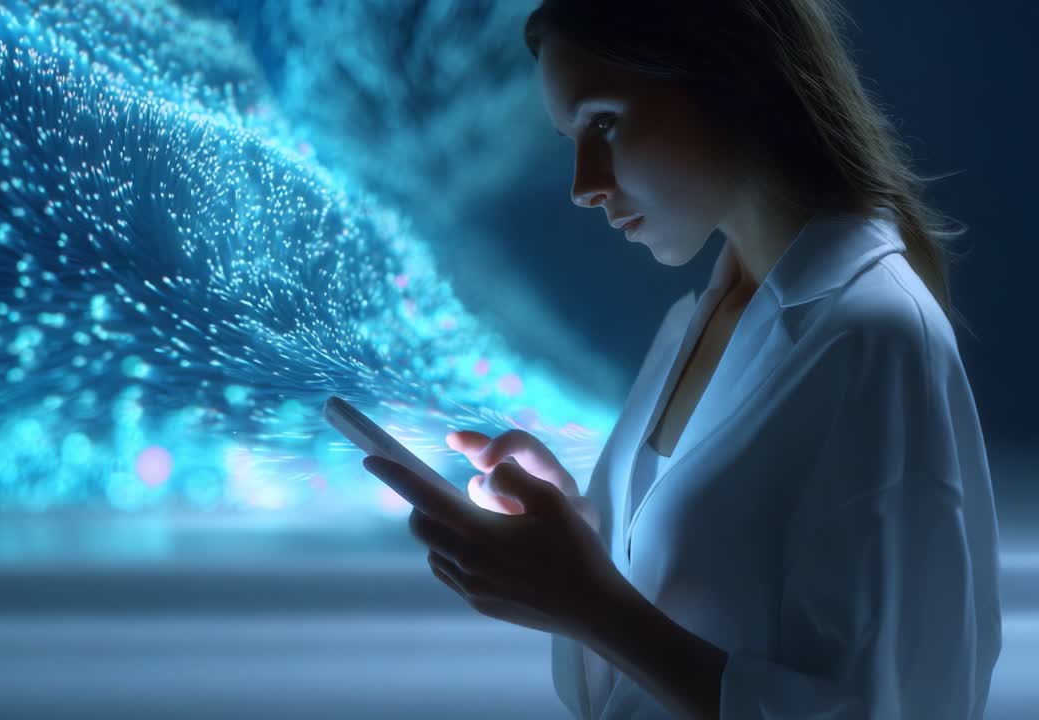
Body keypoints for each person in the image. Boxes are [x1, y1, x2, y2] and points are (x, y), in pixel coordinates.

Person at [363, 0, 1002, 718]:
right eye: (572, 137)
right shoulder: (699, 322)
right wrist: (578, 536)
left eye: (604, 122)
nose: (585, 183)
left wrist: (587, 604)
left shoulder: (874, 338)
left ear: (729, 76)